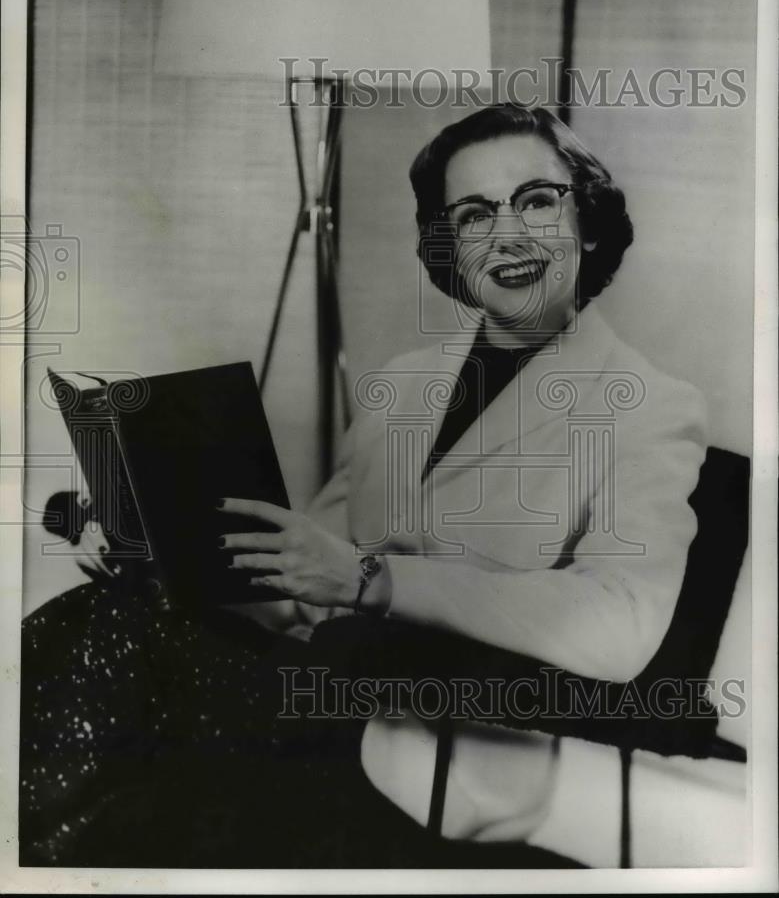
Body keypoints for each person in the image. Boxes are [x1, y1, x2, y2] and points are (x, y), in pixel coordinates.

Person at [20, 104, 707, 867]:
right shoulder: (403, 385)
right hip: (303, 690)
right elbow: (306, 586)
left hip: (431, 746)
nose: (507, 235)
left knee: (108, 704)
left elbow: (621, 627)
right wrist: (170, 542)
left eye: (536, 200)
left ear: (587, 219)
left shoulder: (647, 404)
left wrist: (375, 581)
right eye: (474, 215)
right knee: (95, 618)